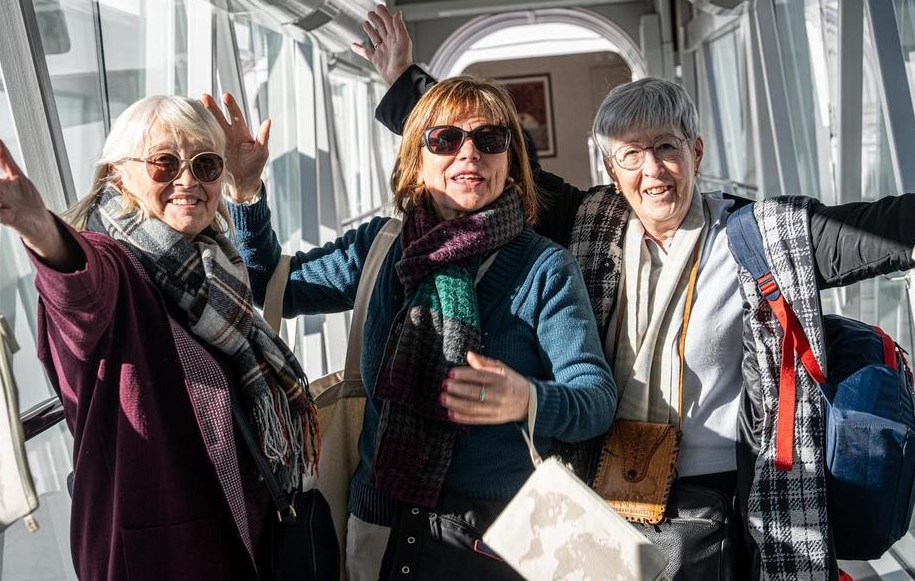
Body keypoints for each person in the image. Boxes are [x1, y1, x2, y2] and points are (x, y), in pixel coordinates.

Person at [354, 5, 915, 580]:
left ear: (696, 152)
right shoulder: (591, 223)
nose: (653, 173)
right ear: (612, 171)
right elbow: (474, 154)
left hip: (708, 500)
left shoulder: (761, 237)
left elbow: (889, 230)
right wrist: (401, 86)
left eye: (667, 150)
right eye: (632, 158)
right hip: (601, 491)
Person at [219, 76, 617, 581]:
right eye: (446, 139)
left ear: (511, 161)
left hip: (498, 542)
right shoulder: (382, 248)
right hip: (381, 526)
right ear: (416, 159)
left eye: (489, 140)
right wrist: (245, 191)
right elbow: (272, 284)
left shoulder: (544, 267)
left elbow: (596, 400)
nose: (468, 154)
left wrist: (528, 399)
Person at [0, 96, 321, 581]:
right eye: (164, 163)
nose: (187, 180)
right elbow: (80, 287)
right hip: (163, 555)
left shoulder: (216, 268)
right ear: (119, 176)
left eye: (204, 165)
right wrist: (42, 231)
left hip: (245, 542)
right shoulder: (115, 263)